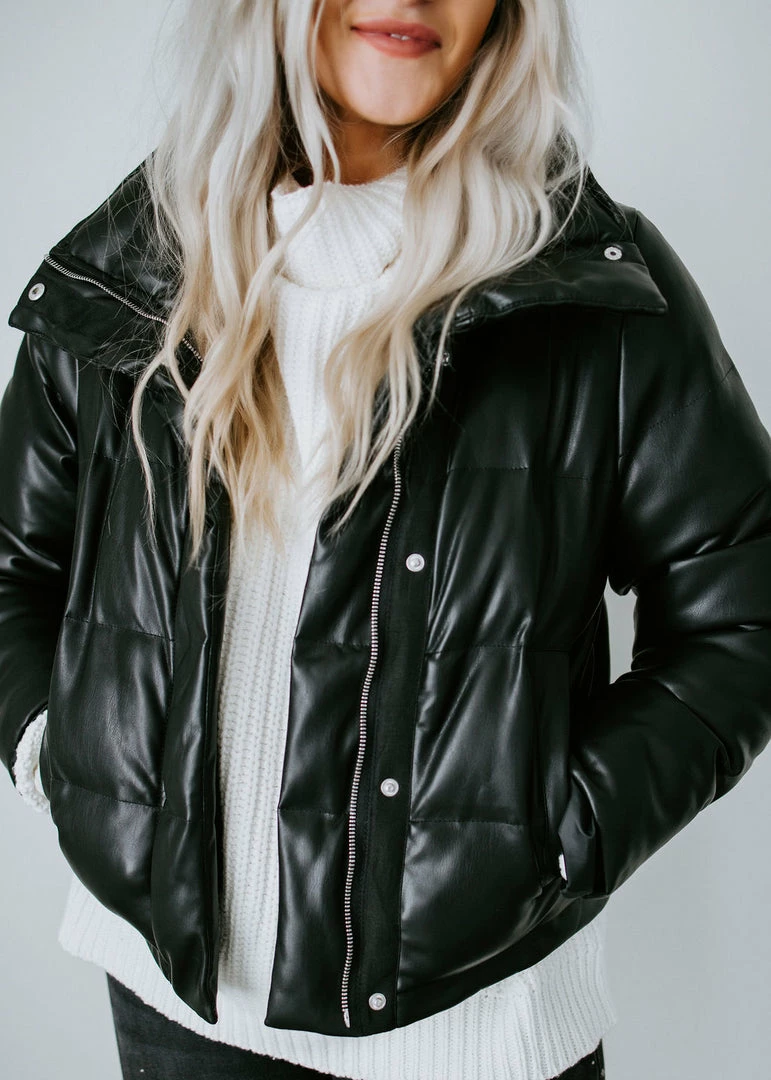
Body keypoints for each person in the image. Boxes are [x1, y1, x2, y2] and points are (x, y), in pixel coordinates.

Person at [2, 0, 770, 1077]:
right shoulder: (136, 260)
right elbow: (15, 562)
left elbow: (742, 613)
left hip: (479, 1030)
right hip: (169, 1001)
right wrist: (55, 752)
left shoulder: (589, 284)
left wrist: (557, 832)